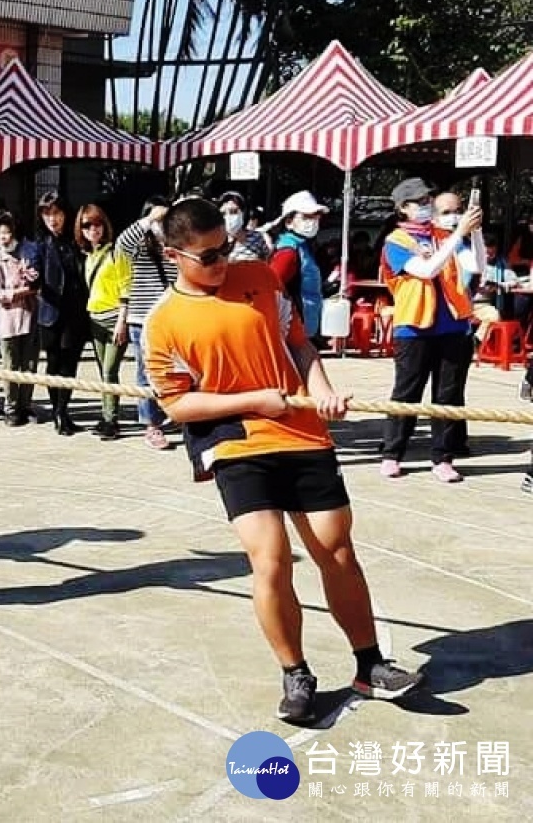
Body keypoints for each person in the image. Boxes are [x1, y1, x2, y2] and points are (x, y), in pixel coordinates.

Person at [143, 197, 423, 724]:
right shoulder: (163, 323)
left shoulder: (261, 278)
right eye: (206, 256)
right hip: (236, 440)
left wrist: (323, 390)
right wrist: (253, 401)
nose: (221, 261)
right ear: (174, 253)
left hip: (301, 432)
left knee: (336, 548)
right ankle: (295, 671)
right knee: (269, 558)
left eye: (224, 247)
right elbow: (178, 404)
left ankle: (370, 664)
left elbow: (300, 345)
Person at [379, 178, 484, 483]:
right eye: (420, 201)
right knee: (406, 393)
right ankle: (392, 453)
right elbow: (426, 270)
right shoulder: (396, 241)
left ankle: (443, 457)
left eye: (428, 199)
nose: (426, 205)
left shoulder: (445, 235)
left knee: (448, 396)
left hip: (453, 326)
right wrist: (457, 235)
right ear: (403, 208)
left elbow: (476, 266)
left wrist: (473, 233)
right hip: (414, 328)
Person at [116, 195, 176, 451]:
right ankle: (150, 423)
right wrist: (149, 219)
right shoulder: (139, 242)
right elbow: (121, 246)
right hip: (142, 319)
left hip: (172, 318)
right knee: (145, 373)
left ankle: (172, 413)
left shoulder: (173, 243)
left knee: (174, 371)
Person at [27, 191, 89, 436]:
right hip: (51, 313)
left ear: (66, 214)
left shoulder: (76, 240)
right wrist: (31, 277)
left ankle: (64, 410)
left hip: (76, 313)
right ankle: (58, 413)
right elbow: (34, 270)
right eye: (46, 214)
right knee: (54, 364)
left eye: (56, 213)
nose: (52, 219)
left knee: (70, 364)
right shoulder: (39, 244)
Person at [79, 203, 131, 440]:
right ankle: (106, 415)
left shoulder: (115, 252)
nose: (93, 229)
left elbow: (126, 288)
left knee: (110, 370)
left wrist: (122, 322)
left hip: (114, 319)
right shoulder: (89, 255)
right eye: (87, 225)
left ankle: (112, 420)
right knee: (103, 371)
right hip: (95, 319)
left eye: (97, 224)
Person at [0, 212, 39, 426]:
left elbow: (36, 284)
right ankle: (11, 406)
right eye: (0, 234)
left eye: (7, 233)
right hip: (7, 320)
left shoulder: (27, 255)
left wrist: (21, 291)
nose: (4, 238)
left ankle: (26, 405)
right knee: (10, 364)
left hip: (29, 316)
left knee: (29, 364)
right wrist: (23, 292)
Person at [268, 192, 327, 342]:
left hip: (304, 326)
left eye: (316, 217)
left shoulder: (304, 247)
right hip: (293, 327)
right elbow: (273, 285)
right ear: (288, 221)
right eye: (306, 217)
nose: (312, 221)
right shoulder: (288, 251)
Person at [219, 192, 269, 263]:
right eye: (223, 213)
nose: (228, 217)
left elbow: (266, 258)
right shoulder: (218, 241)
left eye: (233, 211)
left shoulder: (256, 237)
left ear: (243, 213)